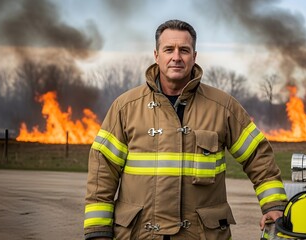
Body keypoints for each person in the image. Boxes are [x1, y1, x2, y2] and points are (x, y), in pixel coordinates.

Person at [83, 19, 288, 240]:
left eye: (184, 50)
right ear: (156, 55)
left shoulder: (223, 107)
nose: (176, 57)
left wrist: (273, 205)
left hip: (201, 234)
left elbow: (258, 156)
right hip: (139, 234)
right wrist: (98, 231)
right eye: (169, 49)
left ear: (194, 56)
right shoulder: (126, 107)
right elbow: (102, 171)